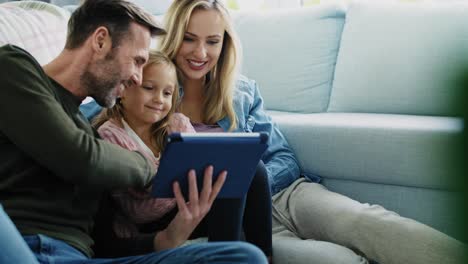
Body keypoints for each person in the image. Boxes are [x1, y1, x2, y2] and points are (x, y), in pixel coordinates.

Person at [80, 0, 466, 264]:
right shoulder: (146, 90)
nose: (200, 52)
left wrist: (245, 166)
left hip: (283, 193)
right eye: (190, 38)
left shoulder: (242, 90)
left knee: (367, 223)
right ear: (174, 36)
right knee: (335, 260)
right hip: (220, 213)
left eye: (212, 41)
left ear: (224, 44)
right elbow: (100, 123)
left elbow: (284, 158)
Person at [0, 0, 267, 263]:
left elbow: (106, 243)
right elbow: (82, 158)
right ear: (101, 41)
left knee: (245, 257)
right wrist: (154, 169)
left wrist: (170, 235)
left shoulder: (91, 135)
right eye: (137, 60)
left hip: (79, 257)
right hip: (19, 245)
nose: (139, 78)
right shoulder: (14, 69)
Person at [89, 50, 271, 260]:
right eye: (149, 88)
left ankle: (265, 254)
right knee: (223, 178)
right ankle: (225, 253)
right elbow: (136, 205)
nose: (159, 99)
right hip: (150, 221)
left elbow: (202, 161)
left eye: (167, 93)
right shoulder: (110, 136)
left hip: (187, 205)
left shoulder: (176, 124)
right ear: (123, 90)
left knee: (252, 170)